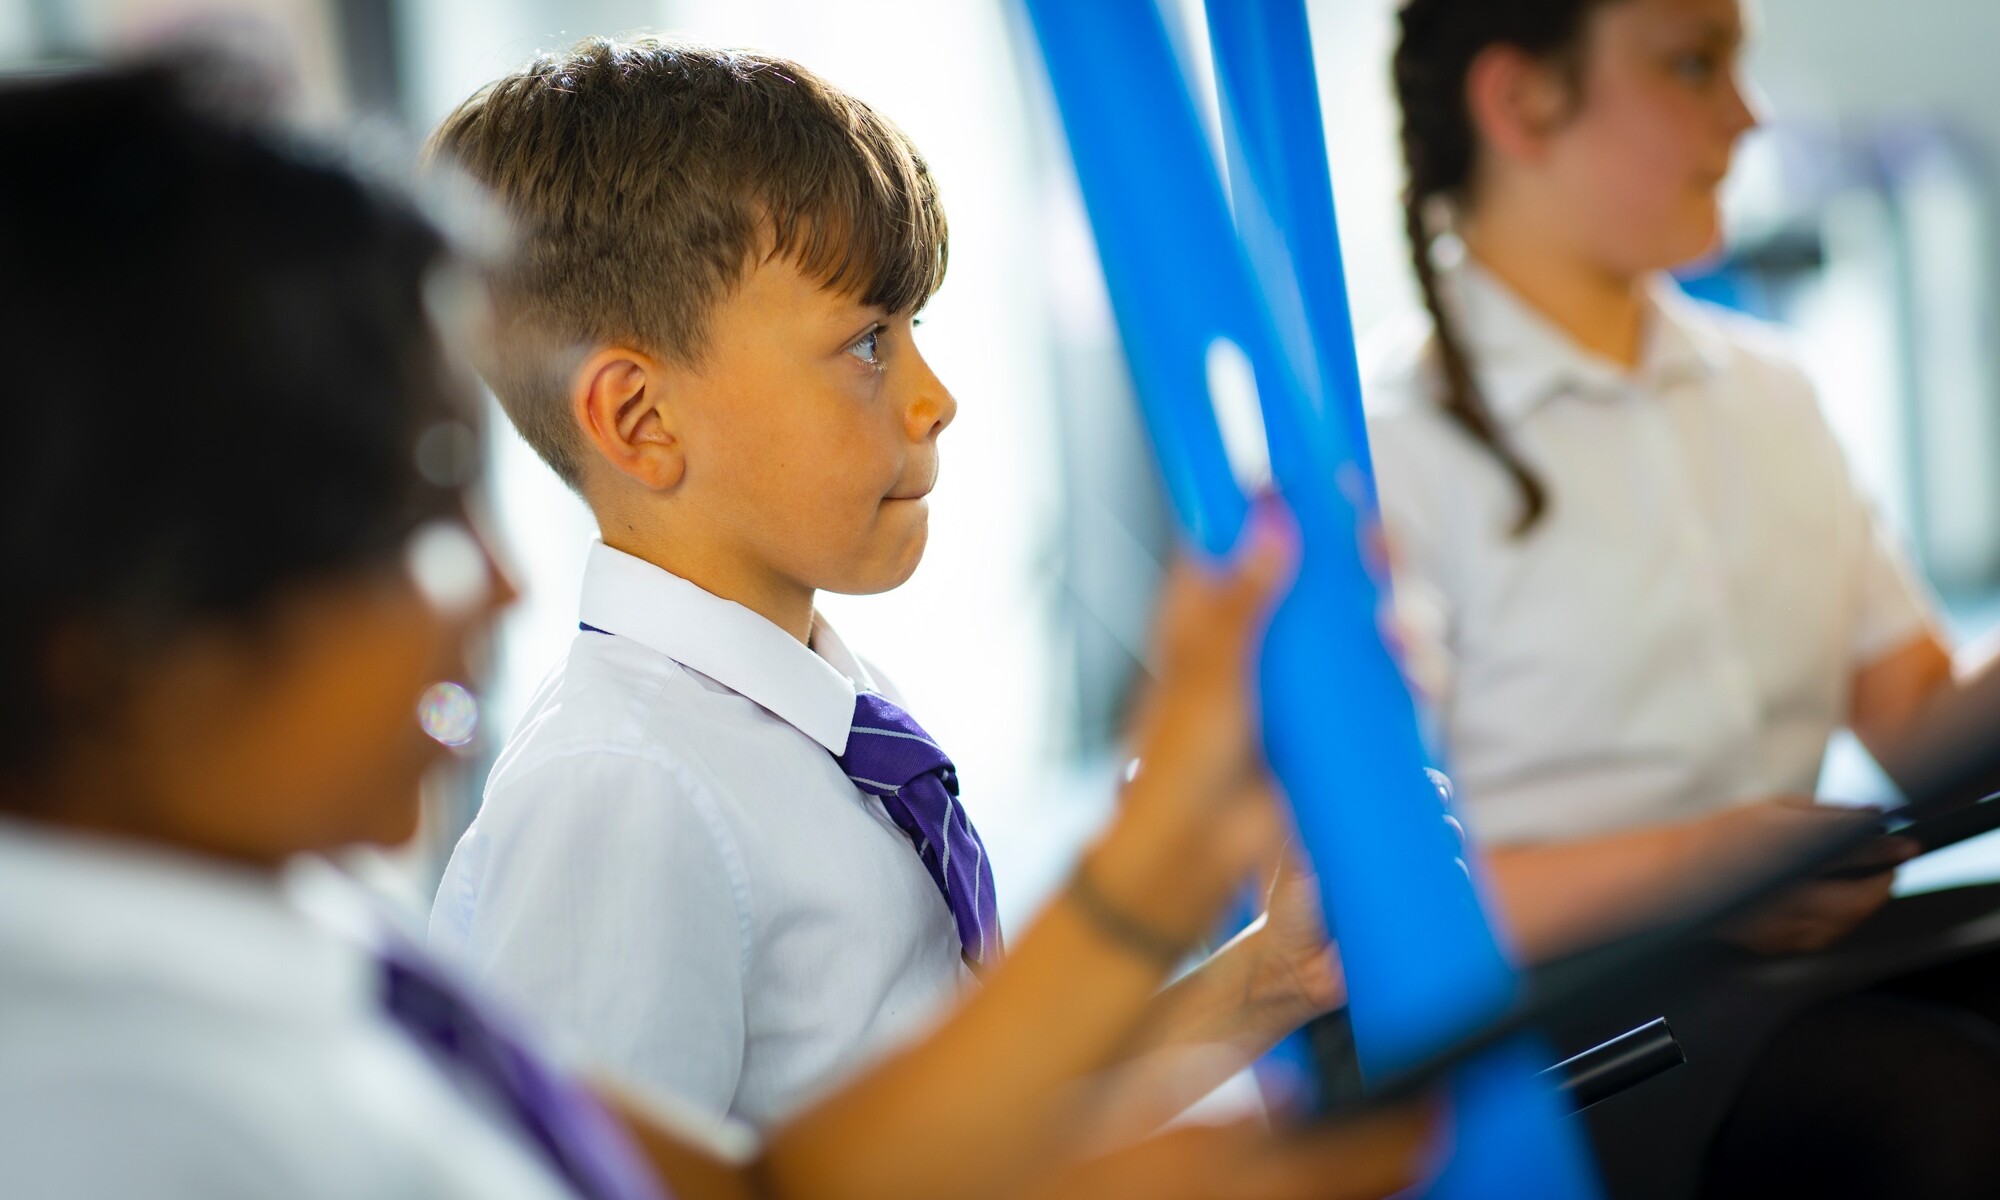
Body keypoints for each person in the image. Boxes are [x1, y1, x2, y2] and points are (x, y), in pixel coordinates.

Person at [0, 60, 1435, 1200]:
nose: (504, 586)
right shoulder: (613, 793)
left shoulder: (318, 942)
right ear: (123, 642)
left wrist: (1239, 965)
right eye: (413, 516)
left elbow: (783, 1181)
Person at [423, 36, 1341, 1132]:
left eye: (915, 330)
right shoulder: (620, 794)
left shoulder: (822, 711)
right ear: (640, 419)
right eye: (865, 343)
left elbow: (961, 1137)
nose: (934, 395)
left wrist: (1266, 977)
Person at [1369, 1, 2000, 1196]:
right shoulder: (1386, 453)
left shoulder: (1768, 396)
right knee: (1942, 1120)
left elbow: (1917, 723)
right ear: (1516, 103)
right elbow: (1372, 899)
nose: (1746, 114)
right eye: (1691, 64)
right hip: (1565, 1026)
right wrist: (1700, 866)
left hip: (1804, 972)